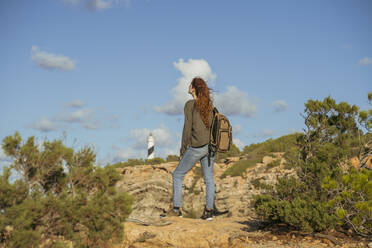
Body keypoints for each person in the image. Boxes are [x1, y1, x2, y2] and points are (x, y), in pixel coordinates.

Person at [161, 77, 216, 220]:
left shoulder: (190, 104)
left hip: (197, 147)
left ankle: (176, 209)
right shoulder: (209, 104)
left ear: (193, 88)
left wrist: (183, 149)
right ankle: (209, 212)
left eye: (190, 84)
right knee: (209, 179)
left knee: (177, 175)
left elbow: (187, 128)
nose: (188, 86)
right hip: (210, 147)